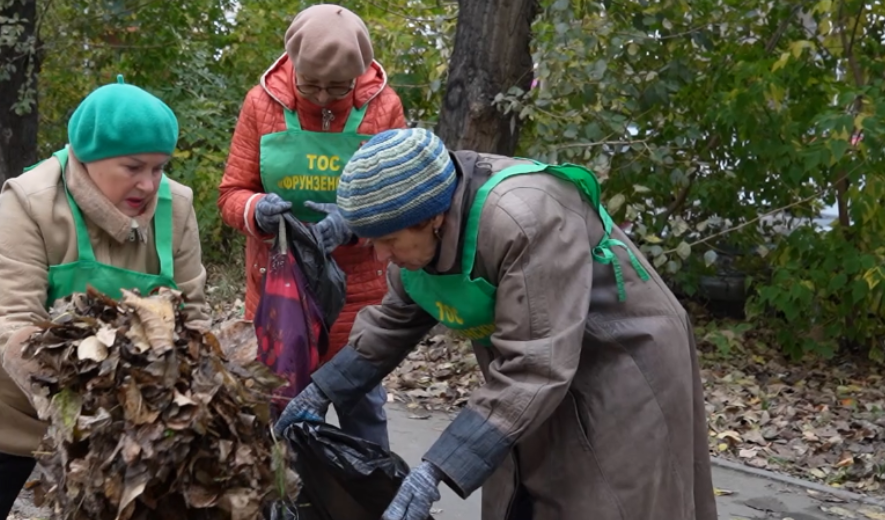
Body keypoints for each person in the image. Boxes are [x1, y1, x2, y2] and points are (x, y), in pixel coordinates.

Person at [274, 128, 718, 520]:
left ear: (434, 218)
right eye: (373, 242)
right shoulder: (415, 230)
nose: (381, 256)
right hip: (539, 353)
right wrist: (321, 391)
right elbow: (395, 319)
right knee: (524, 491)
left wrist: (436, 468)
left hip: (620, 358)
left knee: (597, 498)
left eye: (389, 241)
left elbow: (536, 367)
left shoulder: (523, 218)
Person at [0, 78, 208, 520]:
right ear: (89, 157)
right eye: (133, 167)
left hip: (120, 428)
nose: (149, 184)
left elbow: (192, 315)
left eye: (159, 168)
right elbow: (9, 319)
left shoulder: (177, 207)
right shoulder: (30, 200)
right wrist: (86, 400)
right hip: (6, 414)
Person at [216, 3, 406, 448]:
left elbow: (399, 203)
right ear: (293, 65)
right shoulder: (261, 104)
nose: (322, 98)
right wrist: (257, 211)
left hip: (357, 299)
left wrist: (354, 222)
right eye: (310, 85)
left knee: (363, 414)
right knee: (282, 416)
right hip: (280, 293)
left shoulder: (383, 109)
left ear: (358, 75)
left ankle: (369, 488)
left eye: (337, 88)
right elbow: (231, 193)